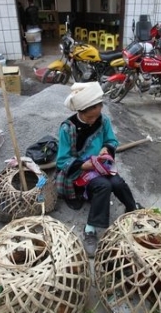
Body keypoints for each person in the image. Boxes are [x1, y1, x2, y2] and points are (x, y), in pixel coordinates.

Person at [55, 82, 140, 257]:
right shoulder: (67, 128)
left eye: (96, 116)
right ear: (80, 112)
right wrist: (83, 165)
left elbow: (112, 140)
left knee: (117, 182)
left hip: (100, 165)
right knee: (104, 186)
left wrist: (106, 149)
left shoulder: (103, 120)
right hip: (80, 172)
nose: (94, 121)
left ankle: (133, 209)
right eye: (89, 118)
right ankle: (90, 230)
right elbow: (62, 160)